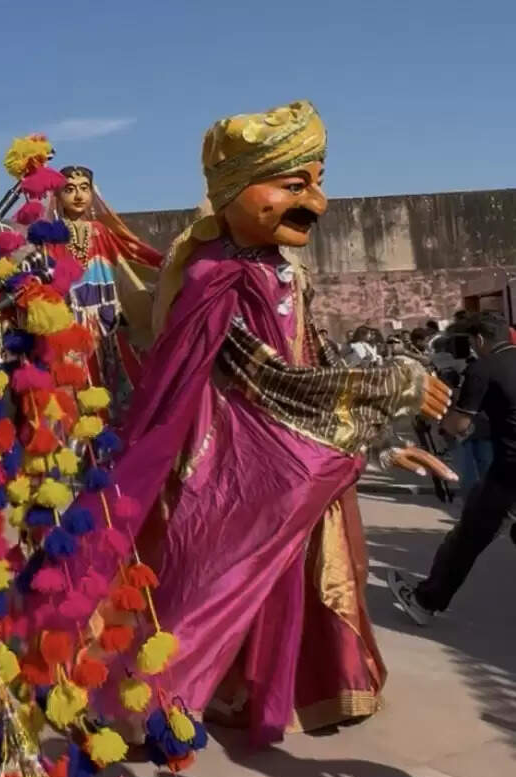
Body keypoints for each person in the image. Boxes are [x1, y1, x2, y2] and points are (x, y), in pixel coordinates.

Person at [41, 101, 453, 744]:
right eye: (293, 185)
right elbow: (265, 374)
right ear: (233, 192)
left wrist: (377, 433)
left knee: (281, 572)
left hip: (285, 444)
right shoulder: (215, 273)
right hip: (227, 458)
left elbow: (309, 358)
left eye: (316, 180)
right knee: (207, 585)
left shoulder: (283, 267)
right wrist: (392, 382)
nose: (316, 201)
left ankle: (253, 691)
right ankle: (134, 705)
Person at [390, 311, 516, 624]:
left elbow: (458, 425)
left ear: (480, 340)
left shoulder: (483, 369)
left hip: (508, 471)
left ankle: (425, 600)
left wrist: (441, 411)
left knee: (466, 538)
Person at [50, 165, 163, 415]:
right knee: (73, 393)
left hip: (106, 323)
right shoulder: (53, 237)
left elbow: (131, 256)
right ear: (57, 196)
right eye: (69, 190)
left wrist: (169, 264)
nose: (78, 195)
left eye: (84, 188)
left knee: (116, 387)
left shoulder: (101, 231)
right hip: (69, 325)